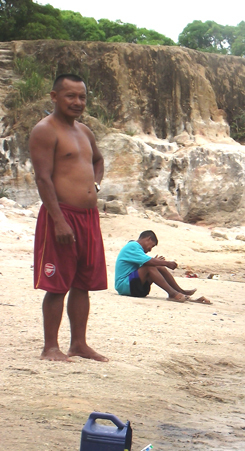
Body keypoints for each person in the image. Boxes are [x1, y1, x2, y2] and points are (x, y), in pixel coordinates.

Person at [30, 74, 107, 362]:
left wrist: (95, 185)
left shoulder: (85, 131)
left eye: (82, 97)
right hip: (61, 215)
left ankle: (79, 344)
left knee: (83, 282)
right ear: (54, 96)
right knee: (57, 284)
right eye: (70, 96)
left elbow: (98, 160)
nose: (77, 102)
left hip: (89, 217)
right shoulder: (45, 130)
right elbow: (42, 178)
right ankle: (50, 346)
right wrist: (58, 219)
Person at [114, 230, 196, 302]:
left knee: (157, 266)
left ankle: (180, 291)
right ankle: (172, 293)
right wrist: (167, 263)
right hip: (124, 286)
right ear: (148, 239)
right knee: (150, 266)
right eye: (152, 246)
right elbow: (148, 262)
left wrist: (157, 262)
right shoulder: (133, 246)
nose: (150, 249)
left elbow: (145, 263)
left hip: (134, 287)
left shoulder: (137, 249)